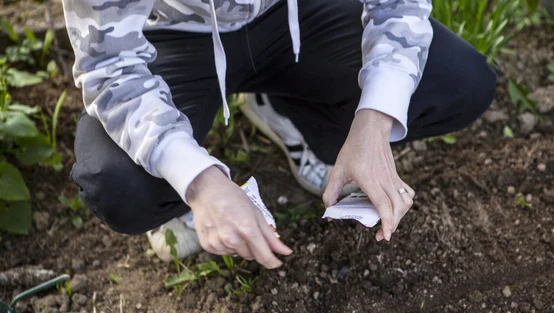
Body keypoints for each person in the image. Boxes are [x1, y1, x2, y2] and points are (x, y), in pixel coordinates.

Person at [62, 0, 496, 268]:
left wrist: (374, 120)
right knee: (120, 184)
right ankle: (181, 194)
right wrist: (196, 180)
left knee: (458, 82)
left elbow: (398, 5)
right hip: (169, 34)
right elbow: (109, 66)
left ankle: (290, 112)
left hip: (295, 15)